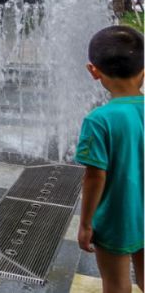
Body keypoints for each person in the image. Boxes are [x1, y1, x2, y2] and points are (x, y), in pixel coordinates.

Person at [75, 26, 143, 293]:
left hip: (116, 218)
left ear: (94, 71)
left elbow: (95, 176)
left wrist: (85, 224)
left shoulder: (99, 120)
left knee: (116, 285)